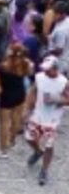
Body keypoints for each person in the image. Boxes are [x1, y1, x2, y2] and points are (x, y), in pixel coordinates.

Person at [24, 55, 69, 186]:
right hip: (38, 114)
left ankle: (44, 170)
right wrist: (27, 109)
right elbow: (33, 92)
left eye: (48, 69)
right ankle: (38, 151)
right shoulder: (39, 77)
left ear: (55, 68)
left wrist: (57, 100)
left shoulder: (64, 82)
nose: (45, 71)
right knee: (29, 138)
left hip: (52, 119)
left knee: (49, 144)